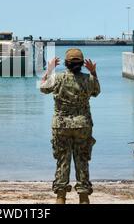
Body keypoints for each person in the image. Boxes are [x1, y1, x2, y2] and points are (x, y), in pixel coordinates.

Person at [40, 49, 100, 204]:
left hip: (61, 126)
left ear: (66, 64)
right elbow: (96, 92)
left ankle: (61, 197)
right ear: (82, 64)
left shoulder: (57, 78)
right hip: (82, 126)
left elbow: (43, 88)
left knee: (62, 162)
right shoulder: (88, 79)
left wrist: (49, 70)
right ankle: (84, 196)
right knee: (82, 162)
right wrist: (93, 72)